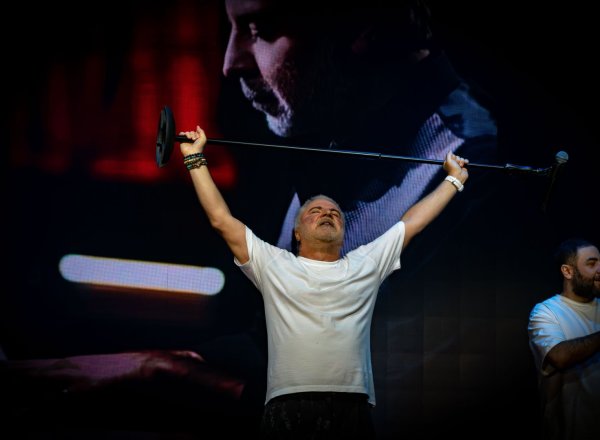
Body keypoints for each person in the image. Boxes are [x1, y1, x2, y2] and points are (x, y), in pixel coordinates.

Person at [177, 123, 469, 438]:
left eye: (334, 213)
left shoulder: (364, 265)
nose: (327, 213)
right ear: (297, 232)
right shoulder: (275, 266)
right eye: (315, 211)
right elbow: (221, 219)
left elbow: (412, 223)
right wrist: (194, 158)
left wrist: (453, 179)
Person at [527, 238, 600, 440]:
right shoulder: (546, 312)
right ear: (567, 272)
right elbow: (559, 356)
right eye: (592, 264)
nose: (599, 269)